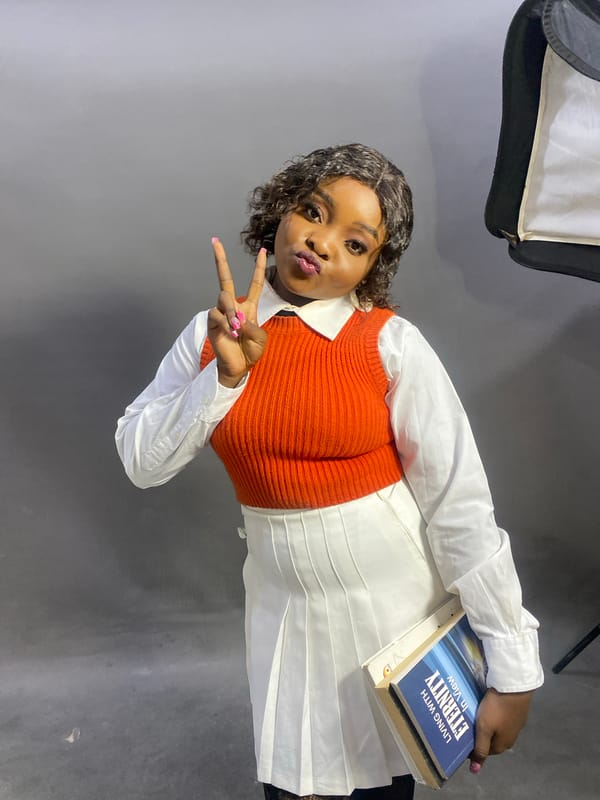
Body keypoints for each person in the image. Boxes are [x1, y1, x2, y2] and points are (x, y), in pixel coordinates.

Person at [115, 143, 544, 800]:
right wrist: (224, 377)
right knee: (293, 787)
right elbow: (141, 463)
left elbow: (460, 507)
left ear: (374, 266)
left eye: (355, 243)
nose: (320, 242)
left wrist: (514, 671)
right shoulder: (212, 338)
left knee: (381, 789)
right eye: (312, 211)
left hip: (395, 618)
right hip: (284, 609)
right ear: (280, 207)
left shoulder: (390, 343)